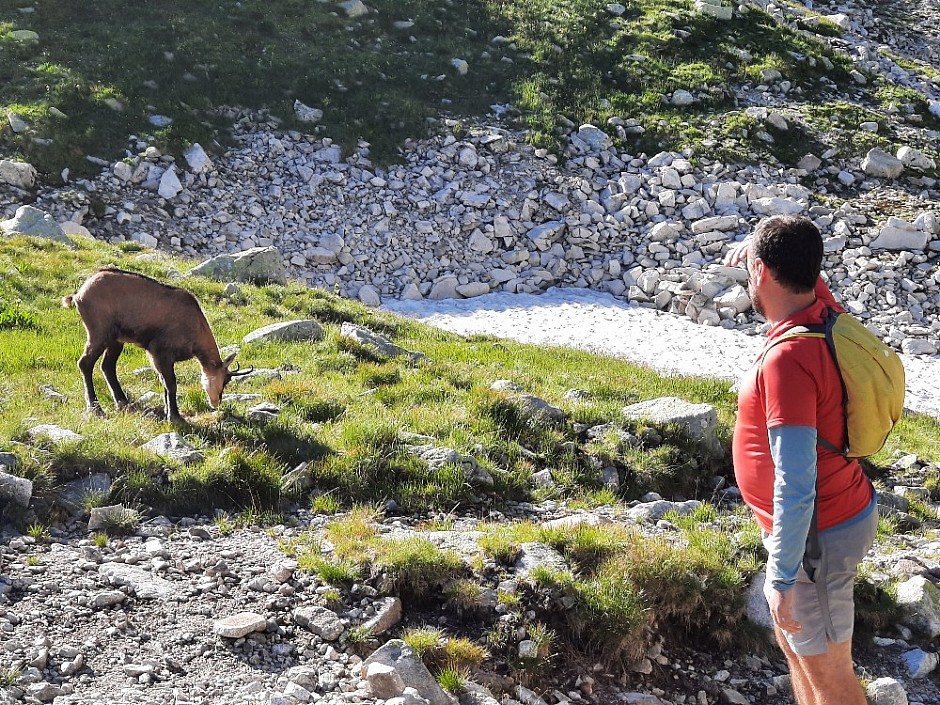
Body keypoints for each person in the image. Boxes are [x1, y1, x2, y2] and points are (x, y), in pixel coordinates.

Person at [727, 215, 877, 705]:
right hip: (827, 520)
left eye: (753, 266)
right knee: (797, 645)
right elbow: (798, 260)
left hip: (816, 535)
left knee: (830, 675)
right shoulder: (822, 311)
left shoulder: (787, 359)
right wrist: (756, 251)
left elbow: (796, 479)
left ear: (763, 274)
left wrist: (783, 576)